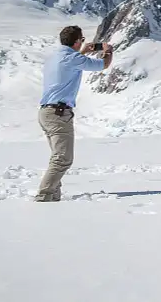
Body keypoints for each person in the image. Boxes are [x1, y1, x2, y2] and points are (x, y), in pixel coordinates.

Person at [35, 26, 113, 202]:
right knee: (63, 159)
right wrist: (108, 51)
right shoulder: (72, 57)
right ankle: (44, 196)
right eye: (82, 39)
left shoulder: (55, 57)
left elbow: (71, 64)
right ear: (77, 41)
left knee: (57, 157)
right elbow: (103, 65)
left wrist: (83, 52)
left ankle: (53, 197)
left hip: (46, 112)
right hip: (58, 113)